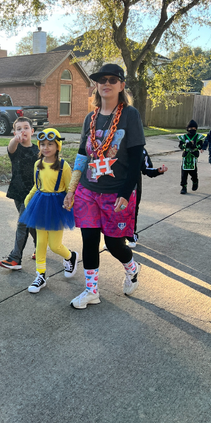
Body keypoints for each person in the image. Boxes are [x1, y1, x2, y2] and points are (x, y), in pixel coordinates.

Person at [61, 64, 145, 310]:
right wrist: (72, 189)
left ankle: (132, 267)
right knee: (88, 240)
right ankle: (91, 290)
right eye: (101, 80)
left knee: (113, 243)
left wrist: (125, 192)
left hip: (116, 191)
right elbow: (81, 155)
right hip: (88, 189)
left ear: (121, 85)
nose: (106, 83)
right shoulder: (91, 117)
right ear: (96, 85)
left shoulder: (130, 115)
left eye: (112, 79)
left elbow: (136, 156)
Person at [18, 127, 79, 293]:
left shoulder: (64, 167)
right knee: (41, 243)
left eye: (50, 144)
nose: (46, 147)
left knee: (54, 245)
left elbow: (70, 189)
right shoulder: (38, 164)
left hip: (57, 206)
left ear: (58, 146)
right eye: (43, 144)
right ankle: (41, 275)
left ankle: (70, 256)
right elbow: (37, 185)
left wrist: (70, 203)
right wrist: (28, 198)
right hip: (40, 204)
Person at [0, 117, 39, 271]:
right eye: (19, 129)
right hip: (18, 192)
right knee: (30, 224)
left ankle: (15, 258)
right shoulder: (15, 150)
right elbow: (11, 146)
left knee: (22, 223)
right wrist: (15, 140)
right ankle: (39, 247)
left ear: (32, 131)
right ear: (15, 132)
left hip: (33, 194)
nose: (23, 131)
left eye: (26, 127)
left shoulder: (38, 150)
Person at [126, 147, 168, 249]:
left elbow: (147, 169)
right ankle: (113, 238)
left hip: (133, 186)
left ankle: (131, 235)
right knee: (113, 211)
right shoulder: (113, 147)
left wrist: (158, 171)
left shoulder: (141, 150)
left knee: (132, 210)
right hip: (114, 185)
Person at [178, 120, 204, 194]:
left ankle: (195, 181)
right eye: (190, 128)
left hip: (193, 157)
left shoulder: (198, 137)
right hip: (186, 157)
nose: (192, 129)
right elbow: (180, 146)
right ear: (187, 128)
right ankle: (184, 187)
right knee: (184, 173)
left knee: (193, 172)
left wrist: (195, 145)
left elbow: (200, 145)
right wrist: (186, 145)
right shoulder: (184, 137)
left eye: (194, 128)